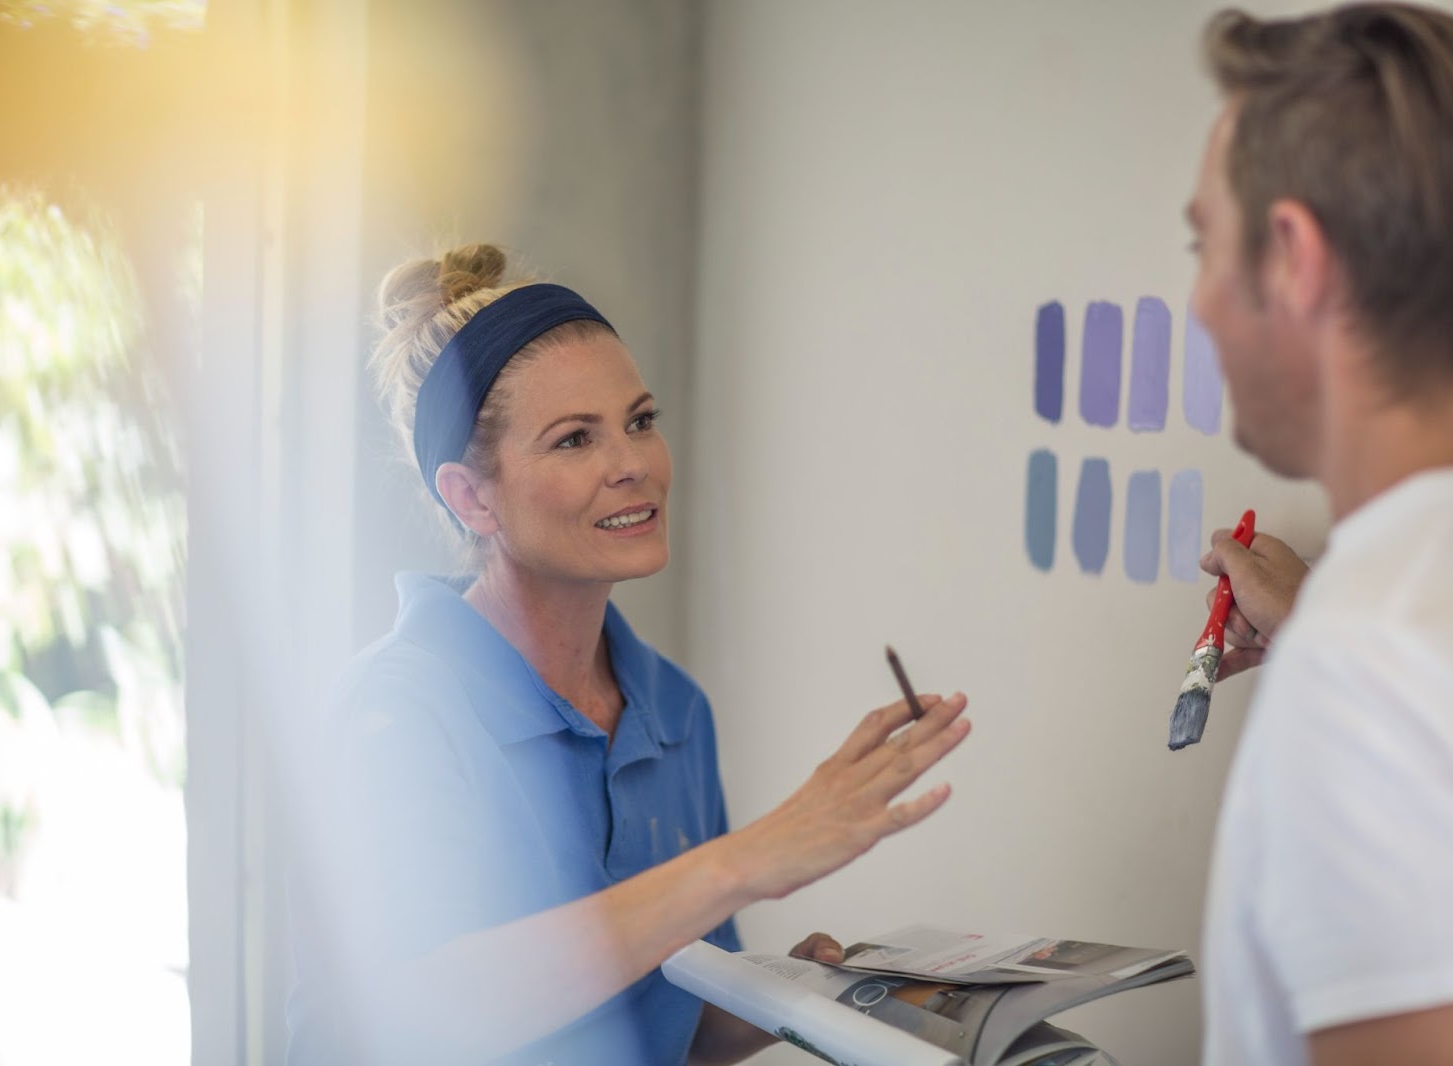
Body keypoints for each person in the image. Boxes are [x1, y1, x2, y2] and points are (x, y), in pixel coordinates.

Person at [285, 245, 971, 1066]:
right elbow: (422, 1015)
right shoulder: (392, 717)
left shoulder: (675, 712)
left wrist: (795, 1000)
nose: (633, 465)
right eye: (575, 440)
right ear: (471, 498)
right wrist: (746, 860)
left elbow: (677, 1030)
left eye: (640, 421)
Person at [1183, 5, 1453, 1065]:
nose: (1197, 301)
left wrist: (1350, 659)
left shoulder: (1367, 673)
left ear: (1293, 256)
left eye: (1203, 243)